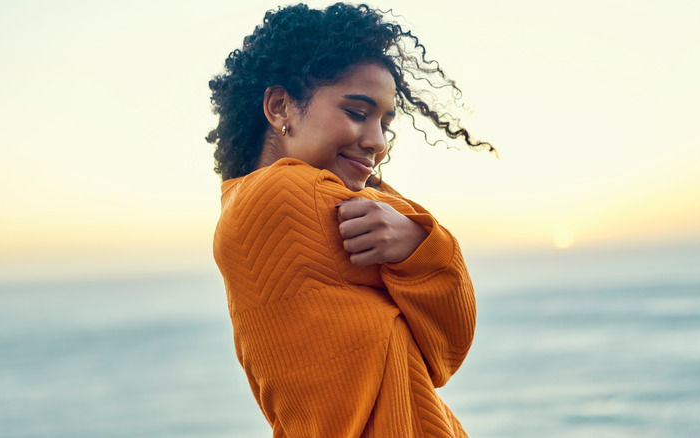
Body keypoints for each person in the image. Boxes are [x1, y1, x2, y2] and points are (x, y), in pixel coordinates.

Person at [208, 3, 493, 436]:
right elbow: (452, 333)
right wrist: (423, 244)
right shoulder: (281, 196)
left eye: (385, 122)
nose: (377, 141)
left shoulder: (249, 201)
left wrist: (415, 238)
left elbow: (442, 350)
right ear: (281, 106)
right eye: (358, 113)